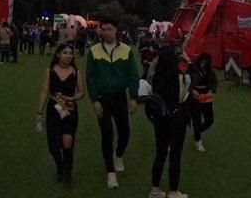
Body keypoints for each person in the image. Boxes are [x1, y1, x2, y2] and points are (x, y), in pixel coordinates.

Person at [85, 17, 140, 189]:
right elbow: (90, 78)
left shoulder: (126, 50)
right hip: (102, 98)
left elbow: (133, 75)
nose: (106, 32)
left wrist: (133, 97)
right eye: (103, 29)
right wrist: (94, 100)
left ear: (116, 30)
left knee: (124, 132)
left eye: (109, 29)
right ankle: (110, 173)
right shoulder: (93, 51)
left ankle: (118, 155)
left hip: (119, 97)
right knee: (107, 134)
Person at [37, 43, 85, 185]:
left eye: (70, 53)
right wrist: (39, 111)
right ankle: (60, 166)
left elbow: (82, 92)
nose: (68, 55)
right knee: (53, 146)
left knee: (67, 143)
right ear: (58, 54)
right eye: (65, 52)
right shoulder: (50, 70)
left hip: (70, 110)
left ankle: (67, 172)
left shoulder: (76, 72)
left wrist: (72, 98)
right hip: (53, 110)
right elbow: (44, 91)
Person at [148, 45, 190, 198]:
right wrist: (188, 63)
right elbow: (183, 95)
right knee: (175, 155)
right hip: (177, 118)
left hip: (160, 118)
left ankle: (155, 189)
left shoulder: (158, 75)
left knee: (160, 153)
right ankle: (173, 191)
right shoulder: (178, 76)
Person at [189, 52, 218, 152]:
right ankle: (198, 141)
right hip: (194, 96)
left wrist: (211, 91)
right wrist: (192, 90)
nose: (203, 65)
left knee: (209, 120)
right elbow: (187, 81)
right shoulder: (192, 69)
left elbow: (214, 82)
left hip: (206, 96)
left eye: (205, 63)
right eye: (202, 62)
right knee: (196, 119)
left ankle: (197, 132)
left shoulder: (210, 71)